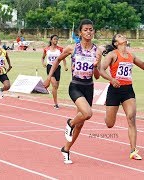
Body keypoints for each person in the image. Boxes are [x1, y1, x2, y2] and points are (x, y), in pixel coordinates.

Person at [44, 19, 102, 164]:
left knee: (81, 123)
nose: (89, 32)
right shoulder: (72, 48)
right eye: (86, 30)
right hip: (75, 86)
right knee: (87, 113)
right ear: (80, 32)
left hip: (89, 86)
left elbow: (97, 75)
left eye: (91, 29)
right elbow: (57, 60)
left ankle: (66, 149)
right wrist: (48, 77)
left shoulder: (97, 51)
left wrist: (95, 66)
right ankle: (69, 123)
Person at [99, 34, 144, 160]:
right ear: (116, 43)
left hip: (128, 90)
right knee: (110, 124)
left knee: (131, 117)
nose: (123, 36)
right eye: (119, 36)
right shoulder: (113, 55)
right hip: (114, 90)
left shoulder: (131, 55)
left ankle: (133, 150)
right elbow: (101, 70)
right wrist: (111, 79)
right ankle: (107, 112)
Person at [42, 35, 68, 109]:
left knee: (56, 87)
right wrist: (43, 63)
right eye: (54, 39)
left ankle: (53, 94)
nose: (56, 40)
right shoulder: (46, 49)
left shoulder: (60, 49)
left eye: (57, 39)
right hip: (50, 67)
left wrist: (65, 66)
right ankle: (56, 103)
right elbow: (43, 57)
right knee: (54, 84)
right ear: (51, 40)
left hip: (57, 68)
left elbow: (63, 58)